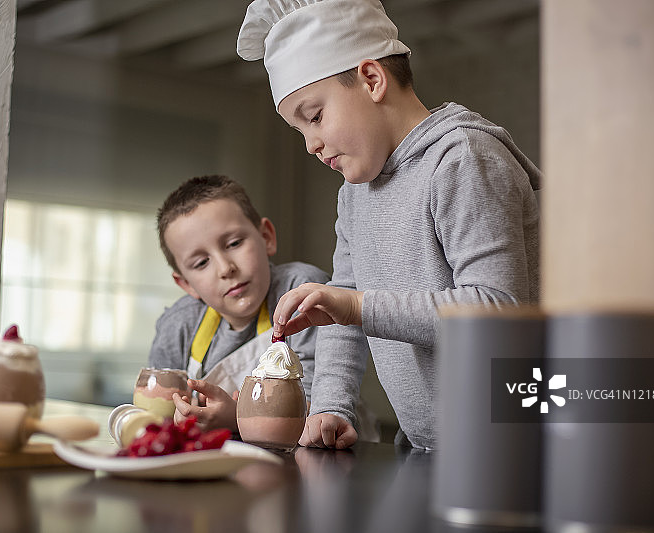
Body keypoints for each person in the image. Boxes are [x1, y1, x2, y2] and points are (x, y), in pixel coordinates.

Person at [237, 0, 541, 450]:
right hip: (426, 446)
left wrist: (357, 306)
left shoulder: (462, 160)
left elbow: (497, 311)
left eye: (314, 117)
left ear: (372, 80)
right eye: (300, 131)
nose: (310, 145)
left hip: (512, 448)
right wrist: (331, 405)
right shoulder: (354, 194)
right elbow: (343, 304)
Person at [149, 176, 382, 439]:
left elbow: (314, 410)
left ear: (266, 237)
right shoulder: (178, 325)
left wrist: (237, 417)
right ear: (186, 284)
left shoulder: (302, 292)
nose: (226, 268)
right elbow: (156, 410)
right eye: (201, 263)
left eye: (234, 244)